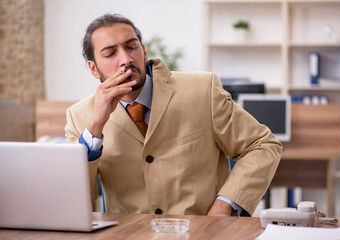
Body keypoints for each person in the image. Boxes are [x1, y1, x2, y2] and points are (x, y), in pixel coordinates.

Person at [65, 13, 282, 217]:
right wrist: (96, 126)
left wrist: (225, 206)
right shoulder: (80, 116)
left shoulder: (202, 90)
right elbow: (72, 197)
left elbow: (262, 145)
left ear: (144, 51)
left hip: (203, 234)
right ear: (94, 69)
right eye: (111, 53)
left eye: (132, 47)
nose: (126, 59)